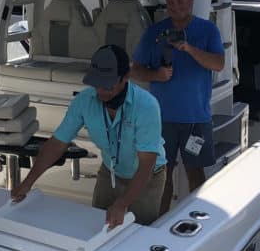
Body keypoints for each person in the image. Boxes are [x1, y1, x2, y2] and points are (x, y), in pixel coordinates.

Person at [11, 44, 166, 228]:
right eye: (97, 83)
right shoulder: (83, 101)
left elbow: (146, 165)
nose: (101, 91)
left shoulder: (147, 106)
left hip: (146, 178)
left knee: (138, 236)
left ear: (126, 77)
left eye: (108, 84)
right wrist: (28, 182)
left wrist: (122, 203)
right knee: (96, 227)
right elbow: (57, 144)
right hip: (110, 172)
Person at [131, 0, 224, 209]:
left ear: (191, 0)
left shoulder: (208, 30)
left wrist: (188, 48)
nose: (176, 6)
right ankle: (159, 223)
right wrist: (156, 75)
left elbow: (219, 64)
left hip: (196, 120)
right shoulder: (154, 32)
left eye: (181, 1)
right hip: (160, 120)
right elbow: (135, 70)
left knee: (196, 175)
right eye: (171, 2)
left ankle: (197, 224)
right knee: (161, 175)